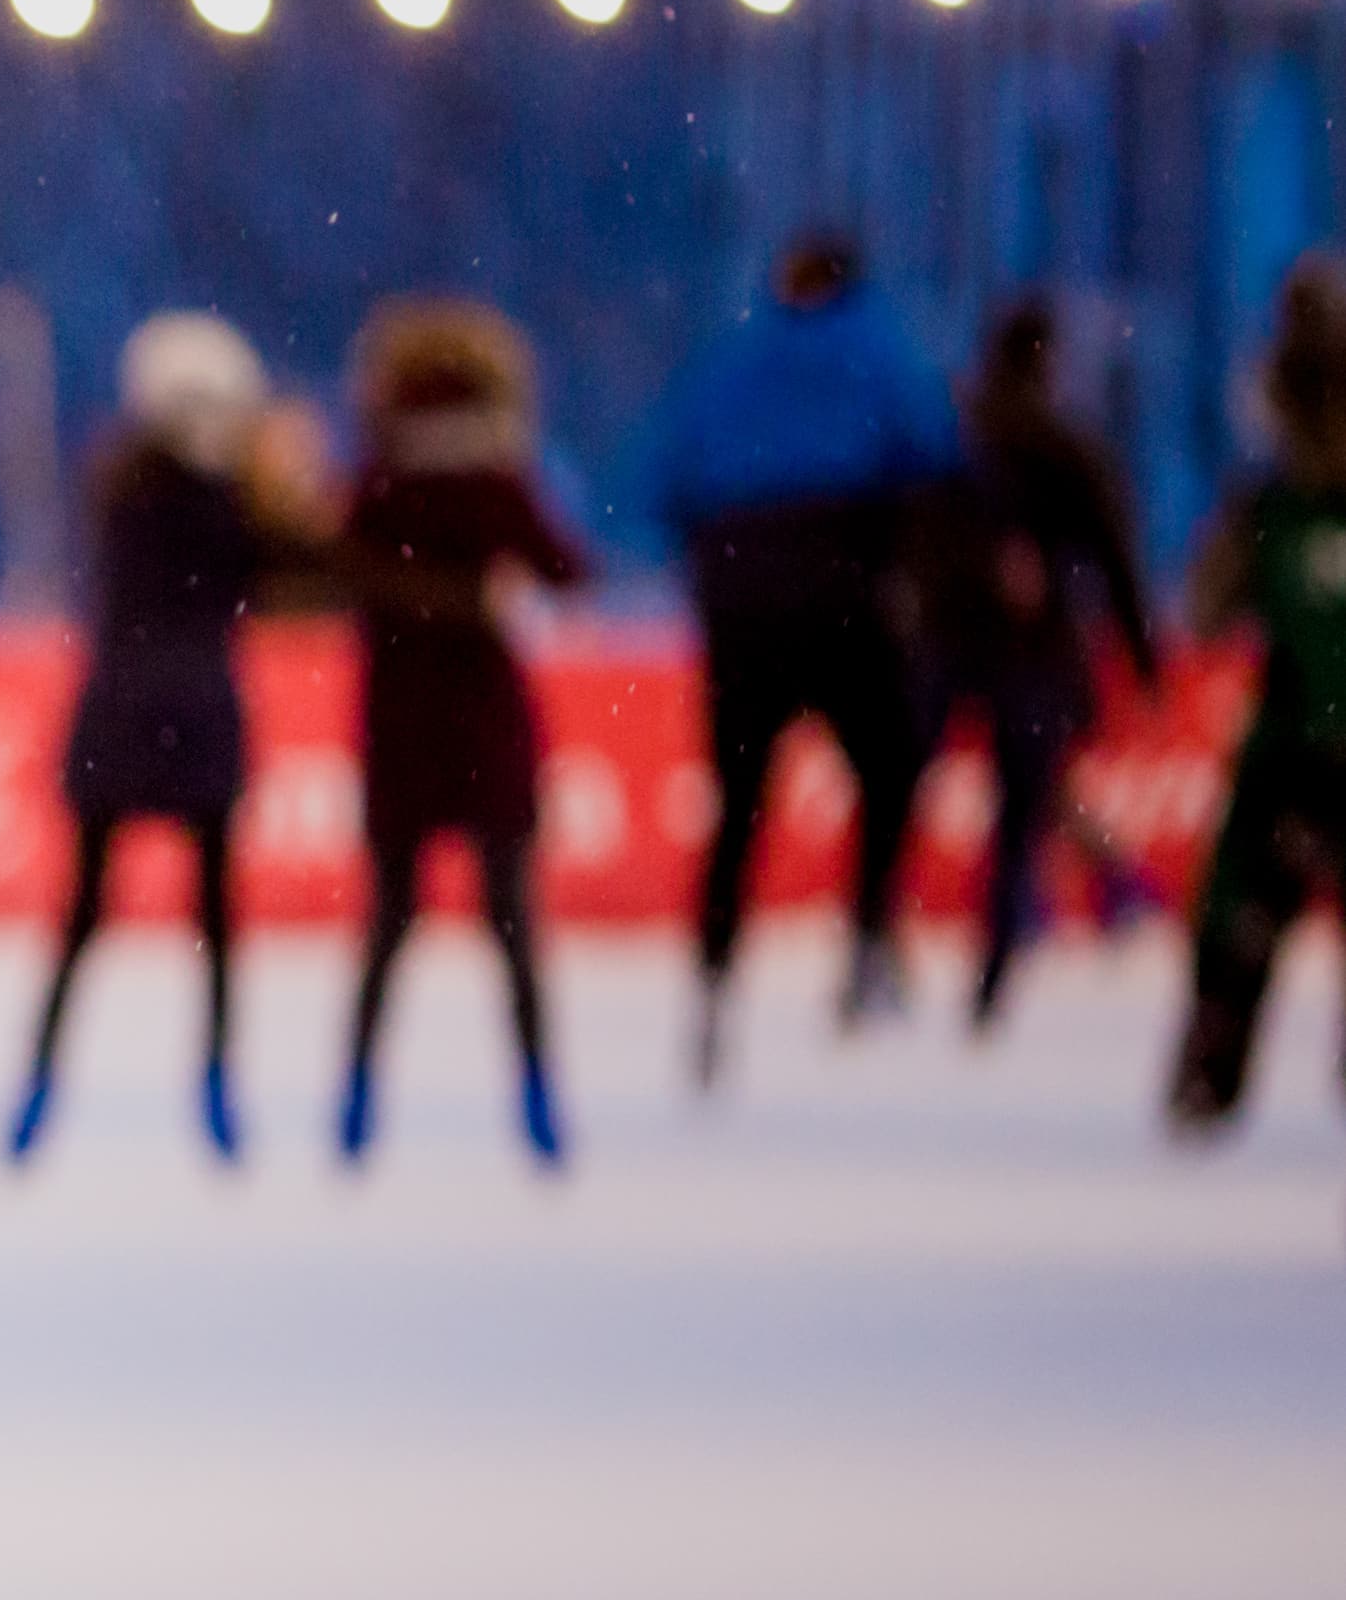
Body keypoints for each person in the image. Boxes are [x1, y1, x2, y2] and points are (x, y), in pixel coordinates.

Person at [646, 229, 963, 1079]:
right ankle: (866, 939)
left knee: (740, 800)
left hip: (742, 581)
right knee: (890, 768)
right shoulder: (880, 344)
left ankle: (713, 981)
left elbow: (667, 473)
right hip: (844, 576)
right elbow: (935, 452)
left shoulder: (733, 354)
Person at [8, 313, 290, 1167]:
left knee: (98, 920)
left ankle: (52, 1087)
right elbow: (281, 569)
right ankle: (190, 1088)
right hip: (179, 724)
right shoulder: (196, 502)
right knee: (187, 921)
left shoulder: (127, 489)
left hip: (133, 723)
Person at [329, 301, 588, 1170]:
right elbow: (570, 569)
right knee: (512, 922)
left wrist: (414, 593)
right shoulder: (499, 484)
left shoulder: (377, 482)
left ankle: (357, 1095)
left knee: (389, 920)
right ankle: (537, 1095)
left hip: (400, 723)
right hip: (485, 721)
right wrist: (478, 591)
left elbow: (341, 575)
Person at [941, 300, 1163, 1030]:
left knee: (1020, 795)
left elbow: (919, 535)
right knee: (1027, 796)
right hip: (1039, 650)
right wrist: (1140, 650)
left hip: (963, 645)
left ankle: (1026, 915)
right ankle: (1026, 927)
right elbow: (1112, 544)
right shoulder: (1062, 445)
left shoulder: (962, 437)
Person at [1167, 259, 1346, 1135]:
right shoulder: (1273, 508)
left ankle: (1211, 1067)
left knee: (1243, 903)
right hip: (1302, 726)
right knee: (1243, 895)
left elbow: (1206, 606)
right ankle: (1211, 1062)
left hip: (1294, 732)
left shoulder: (1273, 506)